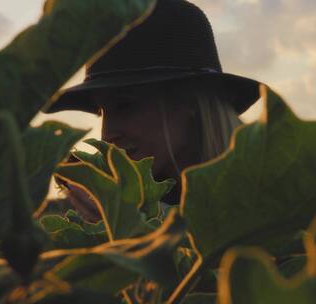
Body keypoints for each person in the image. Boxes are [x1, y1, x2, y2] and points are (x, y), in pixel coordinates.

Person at [46, 0, 261, 219]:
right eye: (102, 112)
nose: (107, 134)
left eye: (124, 105)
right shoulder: (106, 211)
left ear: (188, 99)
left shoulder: (272, 199)